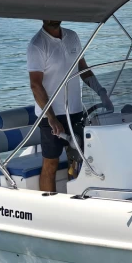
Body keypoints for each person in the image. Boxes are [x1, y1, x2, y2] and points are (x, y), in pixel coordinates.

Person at [27, 20, 112, 192]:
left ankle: (73, 200)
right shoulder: (37, 45)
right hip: (50, 115)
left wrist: (102, 92)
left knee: (77, 160)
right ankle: (47, 208)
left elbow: (83, 69)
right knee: (51, 162)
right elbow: (35, 84)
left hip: (74, 110)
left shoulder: (72, 36)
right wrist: (51, 118)